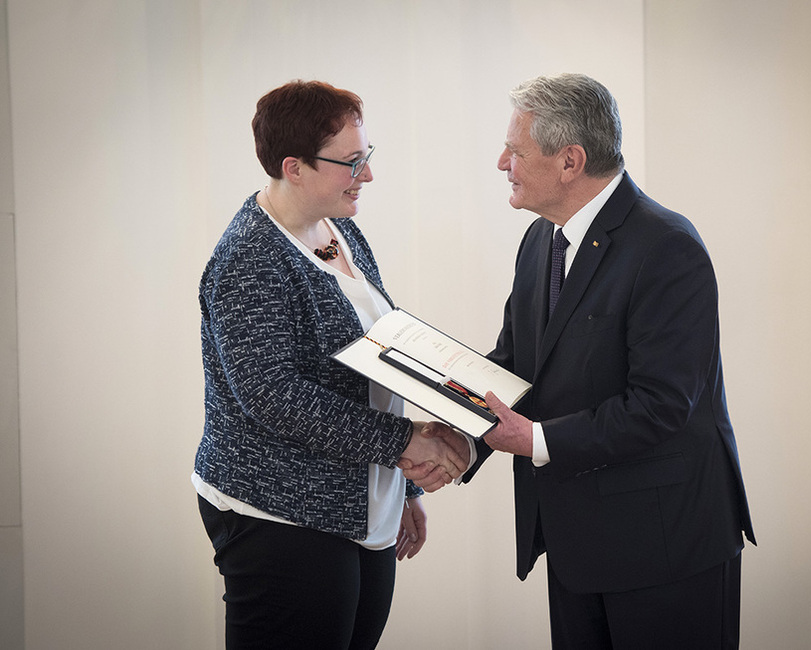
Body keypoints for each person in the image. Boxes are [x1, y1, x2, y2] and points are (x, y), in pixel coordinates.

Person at [421, 73, 756, 648]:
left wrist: (535, 440)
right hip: (578, 544)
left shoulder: (667, 246)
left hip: (666, 547)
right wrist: (462, 435)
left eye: (516, 150)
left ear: (570, 161)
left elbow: (661, 405)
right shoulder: (541, 240)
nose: (503, 162)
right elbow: (515, 367)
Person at [192, 79, 469, 650]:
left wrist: (401, 489)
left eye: (366, 156)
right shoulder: (249, 257)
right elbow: (274, 398)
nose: (366, 174)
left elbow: (378, 356)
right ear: (293, 167)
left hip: (360, 502)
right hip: (281, 512)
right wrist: (403, 445)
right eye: (350, 162)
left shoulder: (340, 230)